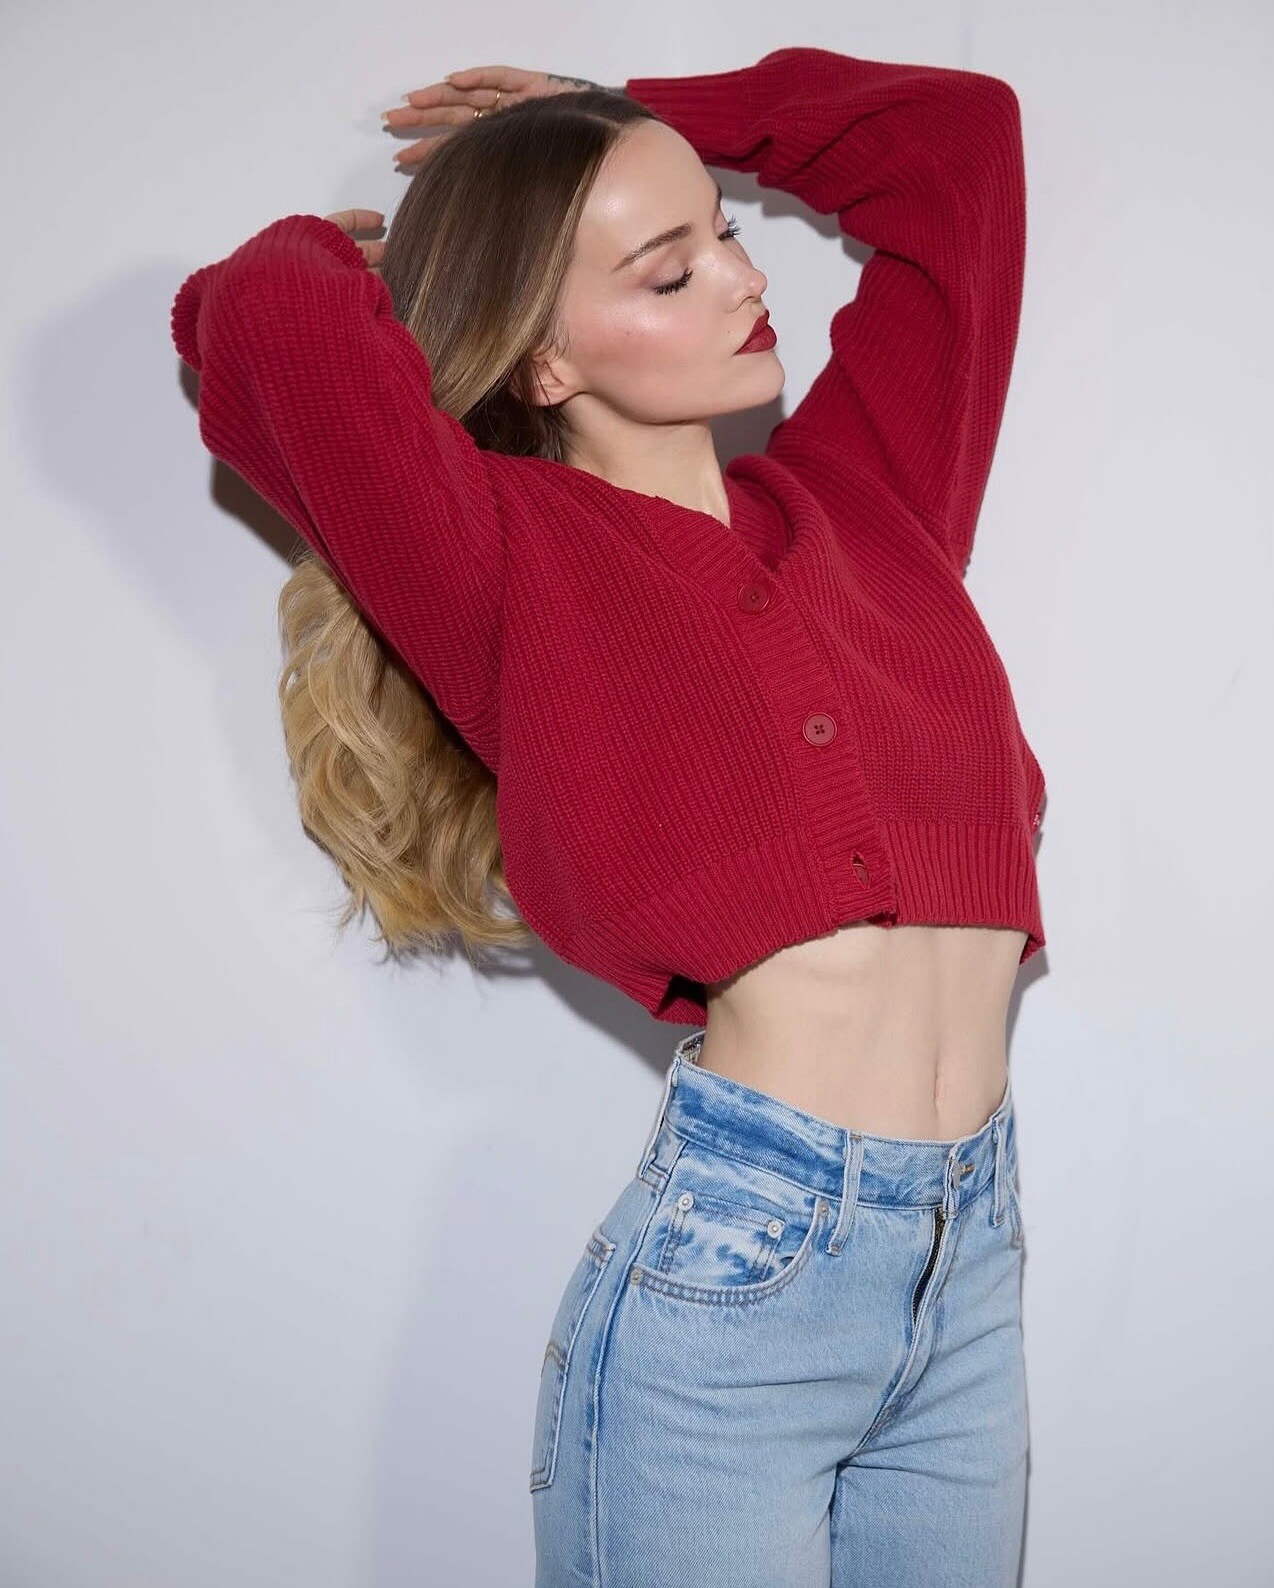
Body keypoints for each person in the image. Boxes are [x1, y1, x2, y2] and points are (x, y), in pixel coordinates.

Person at [171, 46, 1040, 1586]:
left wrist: (619, 111)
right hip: (738, 1275)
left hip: (966, 1267)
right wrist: (368, 242)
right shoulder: (501, 563)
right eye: (665, 269)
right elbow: (256, 324)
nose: (739, 279)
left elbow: (954, 141)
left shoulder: (869, 502)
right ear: (545, 365)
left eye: (721, 233)